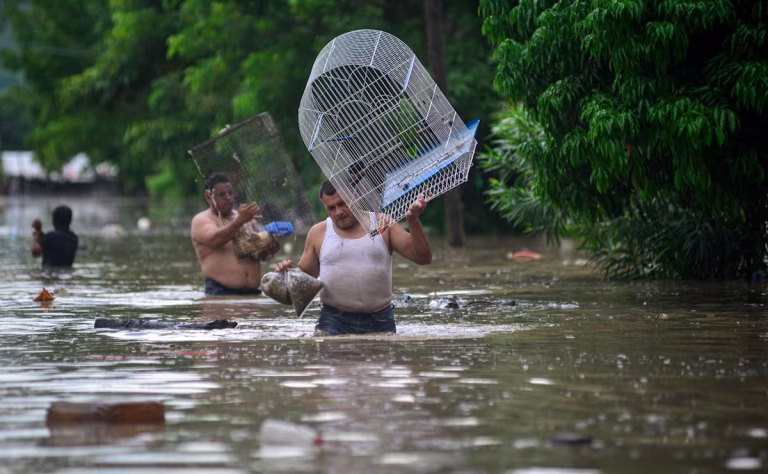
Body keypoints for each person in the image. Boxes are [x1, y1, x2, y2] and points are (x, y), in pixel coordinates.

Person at [274, 180, 432, 335]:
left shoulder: (382, 224)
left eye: (343, 204)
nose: (338, 212)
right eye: (331, 208)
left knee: (382, 361)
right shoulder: (318, 232)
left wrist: (413, 221)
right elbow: (306, 276)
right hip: (333, 320)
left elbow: (423, 258)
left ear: (356, 199)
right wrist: (286, 276)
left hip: (380, 319)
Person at [191, 172, 279, 296]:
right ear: (208, 197)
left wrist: (270, 250)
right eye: (222, 195)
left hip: (253, 293)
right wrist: (239, 221)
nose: (228, 198)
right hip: (220, 293)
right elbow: (215, 239)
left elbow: (259, 256)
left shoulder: (246, 217)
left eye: (230, 193)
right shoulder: (202, 220)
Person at [31, 205, 79, 269]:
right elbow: (59, 243)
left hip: (49, 272)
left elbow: (35, 252)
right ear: (70, 220)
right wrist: (42, 236)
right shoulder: (74, 238)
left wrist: (37, 233)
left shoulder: (49, 237)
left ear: (53, 221)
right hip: (67, 272)